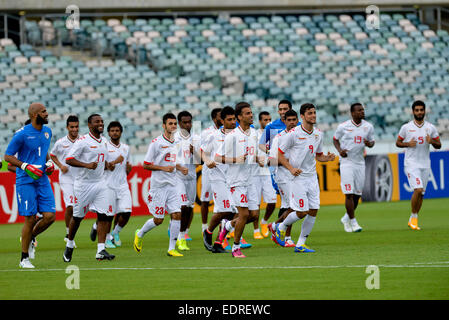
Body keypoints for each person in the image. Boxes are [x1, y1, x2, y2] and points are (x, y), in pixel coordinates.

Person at [274, 103, 336, 253]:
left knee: (314, 210)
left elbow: (318, 155)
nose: (313, 115)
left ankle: (301, 244)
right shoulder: (293, 134)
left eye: (314, 112)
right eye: (310, 113)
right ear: (302, 116)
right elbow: (279, 154)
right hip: (298, 178)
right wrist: (291, 169)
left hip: (312, 177)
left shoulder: (318, 134)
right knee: (301, 212)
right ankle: (280, 228)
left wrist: (327, 158)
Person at [4, 103, 56, 268]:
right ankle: (24, 258)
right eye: (43, 112)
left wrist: (48, 162)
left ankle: (31, 238)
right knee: (30, 218)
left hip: (42, 179)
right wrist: (25, 166)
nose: (47, 114)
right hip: (25, 180)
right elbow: (7, 156)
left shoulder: (47, 132)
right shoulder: (22, 134)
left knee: (50, 216)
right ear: (35, 115)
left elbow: (44, 149)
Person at [63, 114, 115, 262]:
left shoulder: (104, 141)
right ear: (89, 124)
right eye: (97, 122)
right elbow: (69, 159)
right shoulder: (82, 141)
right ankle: (70, 244)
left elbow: (101, 160)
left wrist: (107, 165)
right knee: (78, 217)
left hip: (100, 182)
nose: (101, 124)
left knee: (105, 216)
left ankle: (100, 250)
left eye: (102, 121)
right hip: (84, 184)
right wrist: (86, 165)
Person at [216, 102, 265, 258]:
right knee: (243, 214)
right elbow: (217, 157)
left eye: (251, 113)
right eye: (247, 113)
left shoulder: (255, 134)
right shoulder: (232, 136)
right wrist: (235, 159)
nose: (251, 115)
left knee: (254, 215)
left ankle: (228, 225)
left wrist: (258, 159)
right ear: (239, 117)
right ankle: (236, 247)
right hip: (236, 180)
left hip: (250, 179)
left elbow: (252, 153)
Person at [133, 113, 183, 257]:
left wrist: (180, 168)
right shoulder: (156, 143)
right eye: (170, 123)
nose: (173, 126)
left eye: (175, 123)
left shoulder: (177, 142)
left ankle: (171, 248)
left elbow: (172, 162)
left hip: (173, 185)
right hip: (159, 186)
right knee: (159, 220)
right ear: (164, 126)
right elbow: (146, 165)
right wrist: (163, 168)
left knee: (177, 214)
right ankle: (140, 233)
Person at [396, 100, 441, 230]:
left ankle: (413, 219)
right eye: (417, 110)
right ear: (413, 112)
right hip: (411, 163)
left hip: (425, 164)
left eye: (421, 110)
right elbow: (398, 142)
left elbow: (439, 145)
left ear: (424, 111)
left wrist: (431, 141)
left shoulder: (430, 127)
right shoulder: (406, 127)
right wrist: (407, 144)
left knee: (421, 194)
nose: (419, 112)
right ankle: (414, 217)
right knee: (418, 189)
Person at [333, 103, 375, 233]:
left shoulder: (368, 126)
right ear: (352, 113)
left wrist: (370, 143)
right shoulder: (343, 126)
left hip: (360, 163)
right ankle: (353, 222)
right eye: (359, 110)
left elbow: (372, 142)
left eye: (363, 110)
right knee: (349, 194)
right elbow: (335, 139)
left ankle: (346, 218)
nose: (362, 112)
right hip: (346, 162)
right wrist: (340, 150)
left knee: (357, 195)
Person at [201, 106, 237, 253]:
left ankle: (217, 240)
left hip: (233, 178)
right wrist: (207, 160)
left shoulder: (239, 136)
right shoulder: (214, 136)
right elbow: (202, 152)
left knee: (234, 212)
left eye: (234, 119)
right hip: (218, 177)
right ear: (222, 121)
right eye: (229, 119)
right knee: (225, 210)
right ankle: (208, 232)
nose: (233, 122)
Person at [259, 100, 296, 220]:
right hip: (278, 168)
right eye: (280, 109)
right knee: (286, 201)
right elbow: (261, 144)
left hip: (294, 166)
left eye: (285, 109)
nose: (282, 112)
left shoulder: (298, 125)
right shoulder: (272, 126)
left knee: (291, 201)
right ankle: (279, 227)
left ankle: (280, 227)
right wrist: (273, 153)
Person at [267, 109, 299, 247]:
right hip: (283, 176)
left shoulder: (300, 135)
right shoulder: (278, 137)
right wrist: (288, 162)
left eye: (294, 120)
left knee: (290, 207)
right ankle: (283, 234)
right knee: (293, 206)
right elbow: (271, 161)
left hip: (296, 176)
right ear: (284, 121)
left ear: (298, 120)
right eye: (289, 120)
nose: (292, 123)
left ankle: (278, 229)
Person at [101, 121, 133, 248]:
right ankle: (107, 239)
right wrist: (113, 162)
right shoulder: (104, 147)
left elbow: (127, 166)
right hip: (108, 185)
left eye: (117, 130)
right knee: (109, 215)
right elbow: (100, 166)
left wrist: (128, 169)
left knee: (126, 212)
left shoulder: (126, 148)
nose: (115, 133)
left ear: (121, 132)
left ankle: (115, 233)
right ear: (108, 133)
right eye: (112, 130)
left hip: (122, 185)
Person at [50, 115, 80, 243]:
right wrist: (61, 166)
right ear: (67, 127)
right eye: (72, 127)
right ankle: (69, 234)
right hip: (66, 178)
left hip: (80, 179)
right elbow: (52, 155)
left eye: (76, 127)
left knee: (80, 208)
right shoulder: (61, 142)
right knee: (71, 206)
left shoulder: (83, 140)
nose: (74, 129)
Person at [173, 110, 200, 251]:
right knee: (183, 206)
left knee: (189, 208)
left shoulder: (196, 138)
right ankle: (180, 238)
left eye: (189, 122)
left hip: (191, 177)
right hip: (178, 177)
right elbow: (169, 159)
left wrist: (194, 151)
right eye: (184, 122)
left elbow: (200, 161)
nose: (187, 124)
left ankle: (182, 233)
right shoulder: (174, 138)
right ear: (179, 123)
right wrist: (178, 167)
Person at [199, 108, 223, 234]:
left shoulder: (229, 132)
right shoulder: (206, 133)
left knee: (222, 201)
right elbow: (201, 151)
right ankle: (204, 226)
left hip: (224, 170)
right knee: (205, 198)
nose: (223, 118)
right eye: (221, 116)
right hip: (209, 170)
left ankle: (223, 228)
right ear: (214, 118)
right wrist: (207, 161)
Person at [254, 111, 277, 239]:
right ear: (260, 121)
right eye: (265, 120)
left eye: (269, 119)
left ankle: (264, 222)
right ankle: (256, 229)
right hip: (256, 173)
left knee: (272, 201)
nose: (268, 122)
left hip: (269, 172)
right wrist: (257, 160)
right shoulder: (254, 135)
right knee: (255, 203)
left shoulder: (274, 135)